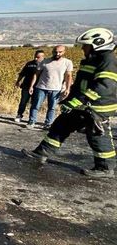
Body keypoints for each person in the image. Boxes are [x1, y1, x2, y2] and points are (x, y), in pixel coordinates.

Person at [23, 28, 117, 178]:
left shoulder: (108, 60)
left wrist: (77, 101)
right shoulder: (92, 59)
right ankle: (41, 153)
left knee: (97, 135)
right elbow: (81, 83)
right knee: (61, 125)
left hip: (97, 107)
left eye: (86, 45)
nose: (83, 48)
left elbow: (104, 86)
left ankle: (105, 168)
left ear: (97, 45)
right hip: (83, 105)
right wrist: (69, 98)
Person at [26, 45, 73, 129]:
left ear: (64, 52)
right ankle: (31, 121)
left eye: (60, 52)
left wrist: (67, 88)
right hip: (41, 87)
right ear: (52, 51)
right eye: (55, 51)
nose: (57, 53)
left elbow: (68, 76)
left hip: (56, 89)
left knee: (52, 108)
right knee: (35, 105)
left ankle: (48, 123)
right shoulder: (44, 62)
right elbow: (36, 74)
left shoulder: (67, 62)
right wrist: (31, 86)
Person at [14, 50, 46, 122]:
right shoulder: (29, 64)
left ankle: (31, 119)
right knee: (23, 101)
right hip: (26, 85)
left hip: (39, 87)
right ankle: (19, 115)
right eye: (35, 57)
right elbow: (22, 73)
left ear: (43, 57)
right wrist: (18, 81)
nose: (35, 59)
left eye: (38, 57)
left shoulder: (46, 64)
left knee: (35, 103)